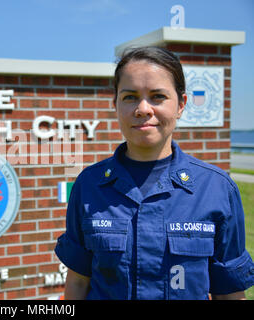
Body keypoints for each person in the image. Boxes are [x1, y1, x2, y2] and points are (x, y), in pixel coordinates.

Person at [54, 46, 254, 300]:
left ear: (181, 104)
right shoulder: (89, 185)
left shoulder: (216, 188)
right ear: (115, 103)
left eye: (158, 96)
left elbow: (229, 294)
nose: (143, 108)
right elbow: (78, 284)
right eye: (130, 97)